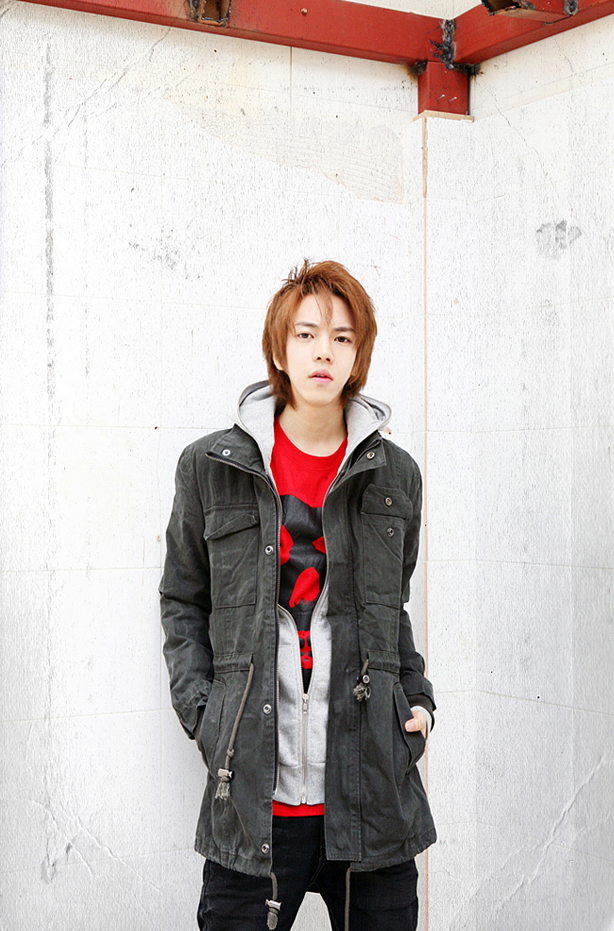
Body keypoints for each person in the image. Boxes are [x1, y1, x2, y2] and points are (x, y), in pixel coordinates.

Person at [160, 260, 436, 931]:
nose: (323, 351)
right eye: (307, 334)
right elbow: (183, 599)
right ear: (280, 349)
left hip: (371, 796)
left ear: (358, 355)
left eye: (342, 338)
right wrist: (205, 712)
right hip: (251, 799)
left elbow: (392, 609)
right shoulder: (211, 468)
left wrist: (417, 699)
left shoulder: (395, 475)